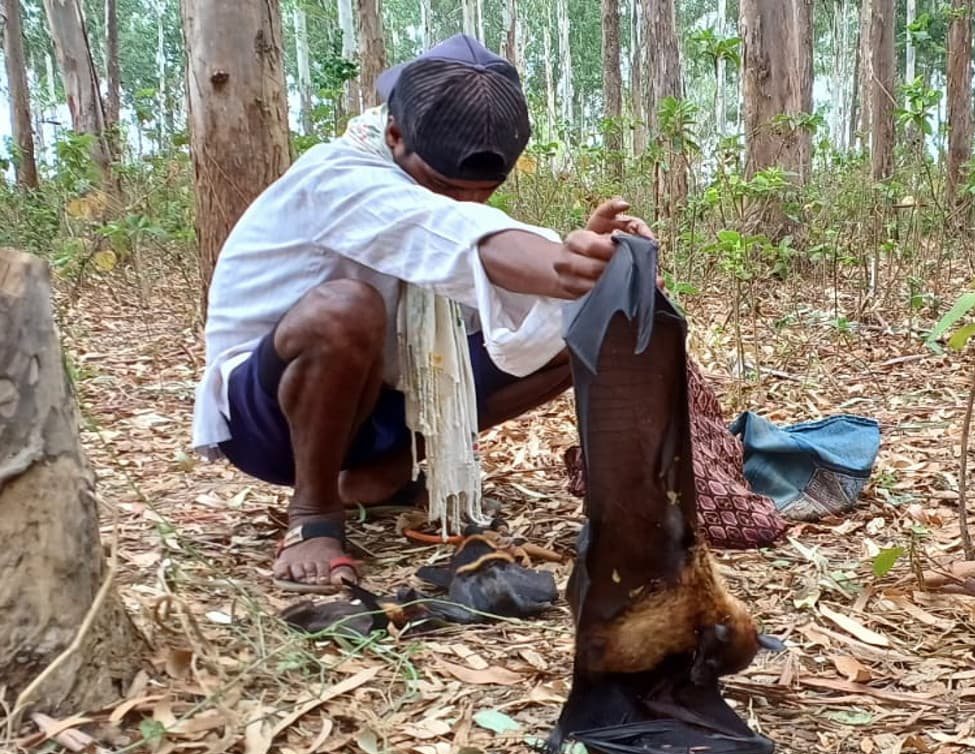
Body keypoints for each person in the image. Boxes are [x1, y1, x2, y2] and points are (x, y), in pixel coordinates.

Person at [191, 33, 653, 593]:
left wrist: (591, 270)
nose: (465, 205)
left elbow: (482, 266)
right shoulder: (338, 177)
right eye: (445, 188)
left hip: (378, 408)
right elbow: (449, 234)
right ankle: (314, 515)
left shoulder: (441, 196)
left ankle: (381, 476)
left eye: (482, 193)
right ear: (394, 135)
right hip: (269, 420)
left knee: (577, 329)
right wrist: (561, 264)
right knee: (344, 309)